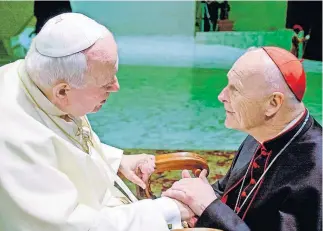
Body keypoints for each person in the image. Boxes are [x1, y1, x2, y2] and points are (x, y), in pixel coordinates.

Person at [0, 13, 193, 231]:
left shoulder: (35, 77)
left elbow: (62, 138)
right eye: (105, 84)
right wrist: (166, 209)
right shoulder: (14, 139)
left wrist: (115, 161)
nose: (116, 87)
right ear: (63, 91)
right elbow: (68, 225)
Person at [163, 47, 322, 231]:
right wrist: (190, 197)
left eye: (235, 89)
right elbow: (227, 192)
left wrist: (209, 207)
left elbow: (214, 205)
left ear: (273, 103)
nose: (221, 96)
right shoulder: (262, 132)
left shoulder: (315, 172)